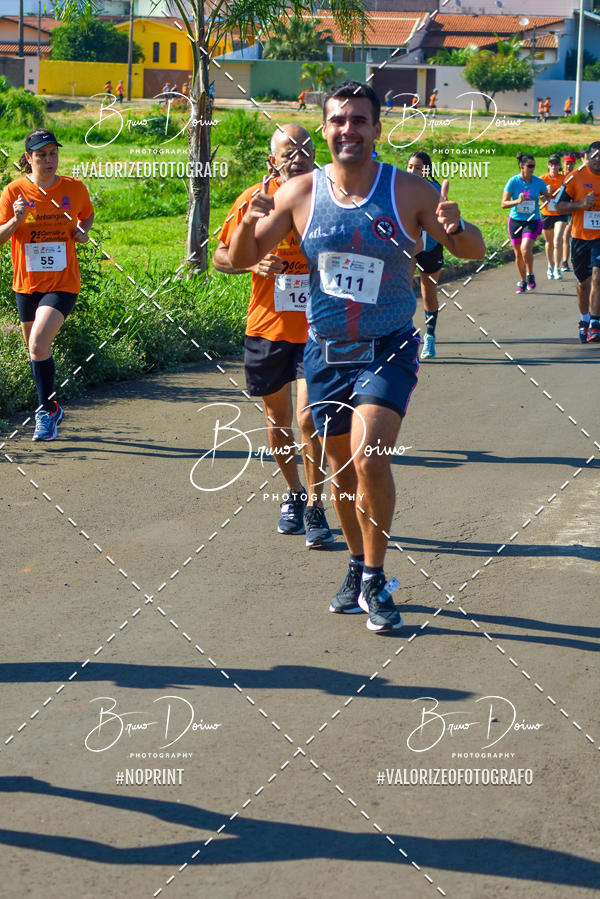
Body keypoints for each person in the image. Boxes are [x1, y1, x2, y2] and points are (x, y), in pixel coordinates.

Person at [229, 81, 485, 633]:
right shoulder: (299, 192)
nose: (349, 129)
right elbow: (239, 255)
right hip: (325, 352)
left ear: (376, 127)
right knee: (341, 474)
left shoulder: (410, 190)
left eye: (360, 120)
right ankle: (354, 563)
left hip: (388, 346)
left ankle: (375, 576)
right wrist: (253, 219)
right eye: (339, 120)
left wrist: (457, 226)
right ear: (326, 129)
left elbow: (472, 249)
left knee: (371, 459)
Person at [213, 124, 333, 547]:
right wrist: (251, 264)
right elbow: (219, 256)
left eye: (305, 148)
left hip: (320, 328)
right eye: (288, 150)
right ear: (272, 160)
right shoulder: (253, 200)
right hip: (268, 327)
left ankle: (317, 506)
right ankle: (293, 494)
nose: (297, 156)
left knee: (309, 416)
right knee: (276, 419)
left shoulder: (330, 196)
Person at [0, 129, 94, 440]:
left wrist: (82, 230)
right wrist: (16, 220)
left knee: (39, 343)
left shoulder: (74, 188)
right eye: (41, 154)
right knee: (35, 350)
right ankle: (50, 407)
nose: (49, 160)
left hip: (63, 282)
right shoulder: (14, 192)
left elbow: (86, 215)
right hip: (26, 284)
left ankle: (44, 413)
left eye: (53, 153)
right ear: (28, 158)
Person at [555, 139, 600, 342]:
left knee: (598, 277)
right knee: (584, 284)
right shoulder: (575, 177)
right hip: (580, 237)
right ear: (588, 157)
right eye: (595, 156)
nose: (599, 160)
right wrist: (582, 203)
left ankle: (595, 324)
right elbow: (559, 206)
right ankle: (584, 319)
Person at [407, 150, 443, 359]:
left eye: (418, 168)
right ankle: (405, 338)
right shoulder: (401, 189)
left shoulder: (435, 189)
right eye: (410, 167)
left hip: (430, 248)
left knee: (428, 294)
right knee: (402, 290)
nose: (413, 171)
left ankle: (429, 336)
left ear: (426, 170)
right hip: (407, 248)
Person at [502, 152, 551, 294]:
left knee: (525, 249)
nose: (532, 168)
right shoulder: (513, 182)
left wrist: (545, 198)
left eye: (534, 166)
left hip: (532, 221)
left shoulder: (538, 182)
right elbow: (503, 203)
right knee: (518, 254)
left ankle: (530, 274)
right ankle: (523, 280)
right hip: (516, 221)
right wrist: (517, 201)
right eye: (529, 166)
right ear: (521, 166)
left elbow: (545, 197)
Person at [540, 154, 569, 279]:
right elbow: (538, 196)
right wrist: (545, 192)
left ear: (559, 166)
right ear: (548, 165)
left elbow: (569, 194)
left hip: (560, 213)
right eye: (551, 164)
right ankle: (550, 266)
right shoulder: (542, 179)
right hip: (547, 213)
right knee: (549, 242)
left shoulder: (564, 179)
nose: (554, 166)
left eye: (556, 164)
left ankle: (557, 268)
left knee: (557, 240)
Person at [561, 153, 577, 271]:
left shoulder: (576, 176)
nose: (569, 166)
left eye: (571, 163)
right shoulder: (559, 177)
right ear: (563, 163)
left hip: (571, 209)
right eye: (567, 163)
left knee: (566, 234)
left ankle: (565, 261)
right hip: (558, 210)